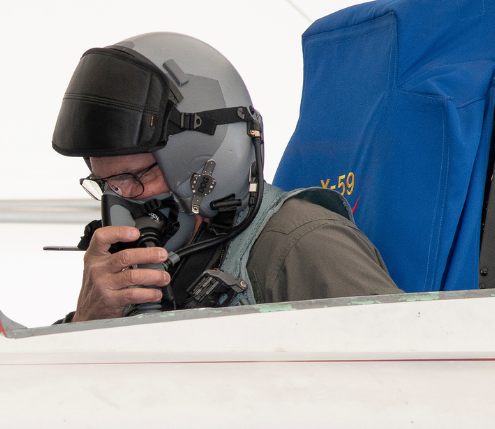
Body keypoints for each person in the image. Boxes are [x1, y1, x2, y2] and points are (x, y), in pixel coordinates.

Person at [50, 32, 398, 323]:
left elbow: (404, 371)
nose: (121, 197)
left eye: (134, 176)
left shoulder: (301, 244)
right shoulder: (148, 263)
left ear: (201, 166)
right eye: (106, 184)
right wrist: (89, 318)